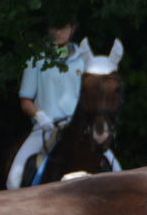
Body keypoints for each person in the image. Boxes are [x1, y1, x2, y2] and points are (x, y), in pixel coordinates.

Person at [6, 17, 95, 190]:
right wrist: (41, 117)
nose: (59, 33)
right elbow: (25, 100)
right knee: (13, 178)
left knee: (116, 168)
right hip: (47, 128)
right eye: (54, 28)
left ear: (73, 28)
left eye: (64, 28)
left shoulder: (85, 62)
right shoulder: (36, 60)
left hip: (79, 128)